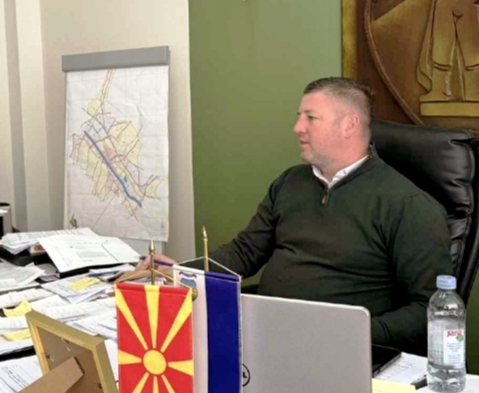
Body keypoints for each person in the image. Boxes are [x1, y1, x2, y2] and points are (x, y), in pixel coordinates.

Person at [150, 77, 452, 354]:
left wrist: (352, 333)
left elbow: (429, 310)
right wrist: (176, 274)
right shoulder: (290, 182)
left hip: (341, 352)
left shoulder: (408, 205)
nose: (297, 128)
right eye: (299, 117)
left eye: (310, 118)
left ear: (349, 125)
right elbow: (244, 252)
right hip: (265, 339)